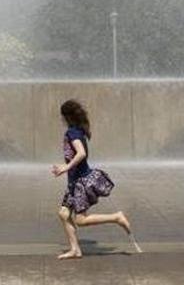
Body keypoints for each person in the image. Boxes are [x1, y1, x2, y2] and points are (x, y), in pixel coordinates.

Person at [50, 98, 142, 260]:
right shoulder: (77, 130)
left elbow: (81, 153)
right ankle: (75, 250)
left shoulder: (72, 133)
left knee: (80, 220)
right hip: (75, 182)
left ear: (66, 117)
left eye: (62, 116)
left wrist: (65, 167)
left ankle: (116, 217)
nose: (61, 119)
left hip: (80, 183)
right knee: (64, 214)